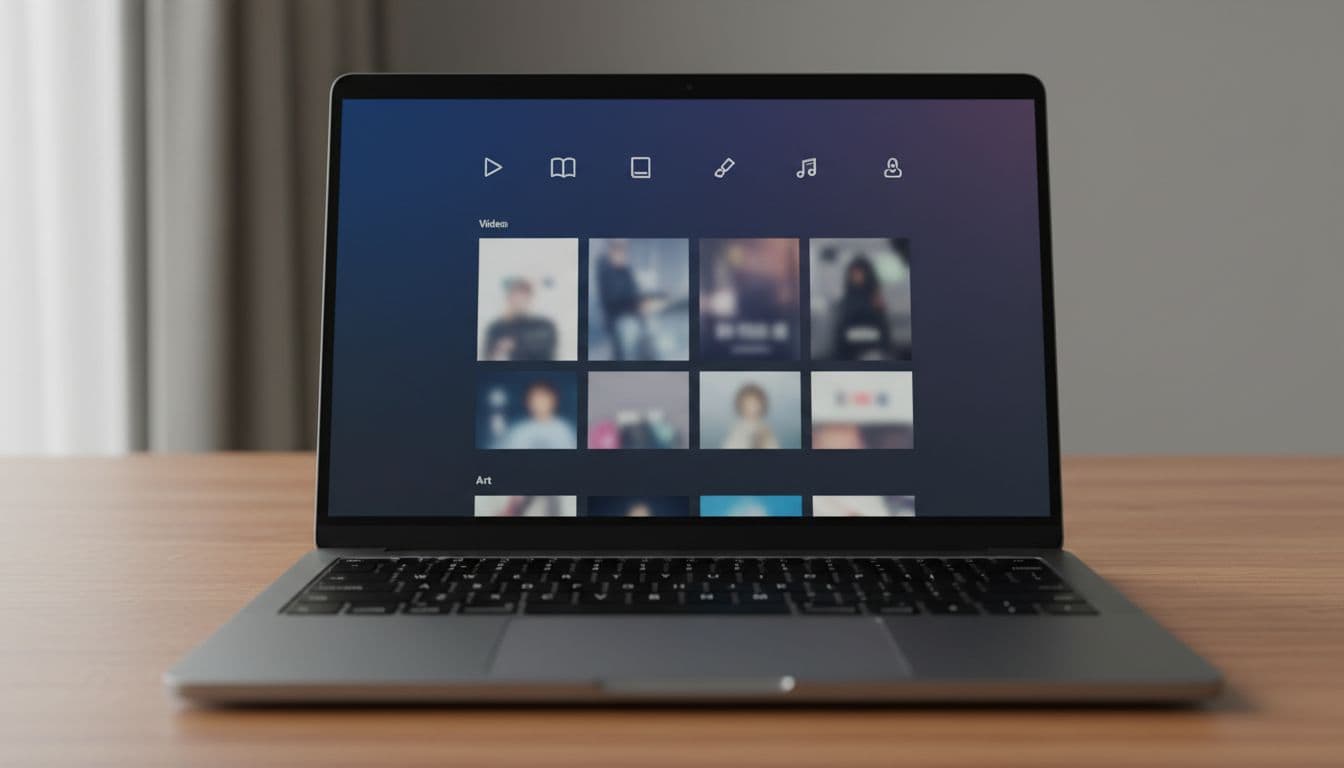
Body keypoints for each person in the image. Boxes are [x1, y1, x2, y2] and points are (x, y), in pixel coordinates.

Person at [831, 255, 892, 360]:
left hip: (872, 349)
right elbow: (841, 328)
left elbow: (883, 327)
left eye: (859, 273)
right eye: (853, 274)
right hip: (849, 350)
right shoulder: (846, 299)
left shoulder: (875, 297)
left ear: (867, 275)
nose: (856, 277)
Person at [482, 278, 558, 361]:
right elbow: (488, 356)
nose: (519, 301)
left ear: (530, 299)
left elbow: (547, 352)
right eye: (516, 297)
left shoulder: (544, 325)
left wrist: (516, 346)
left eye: (524, 297)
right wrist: (499, 351)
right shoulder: (496, 328)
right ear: (509, 298)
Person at [498, 379, 576, 449]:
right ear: (527, 402)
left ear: (554, 400)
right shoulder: (518, 430)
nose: (539, 403)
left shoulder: (564, 430)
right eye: (534, 399)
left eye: (543, 398)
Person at [720, 383, 780, 449]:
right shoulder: (737, 429)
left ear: (762, 405)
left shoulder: (766, 431)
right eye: (748, 404)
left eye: (755, 404)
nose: (752, 409)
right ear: (741, 406)